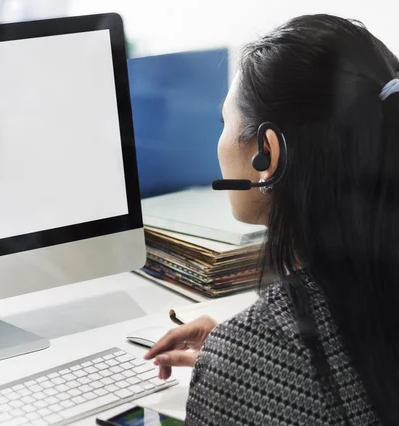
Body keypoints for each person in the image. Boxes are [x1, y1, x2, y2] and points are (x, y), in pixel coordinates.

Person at [145, 14, 399, 425]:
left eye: (224, 123)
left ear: (267, 153)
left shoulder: (246, 360)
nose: (220, 141)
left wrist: (246, 358)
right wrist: (253, 348)